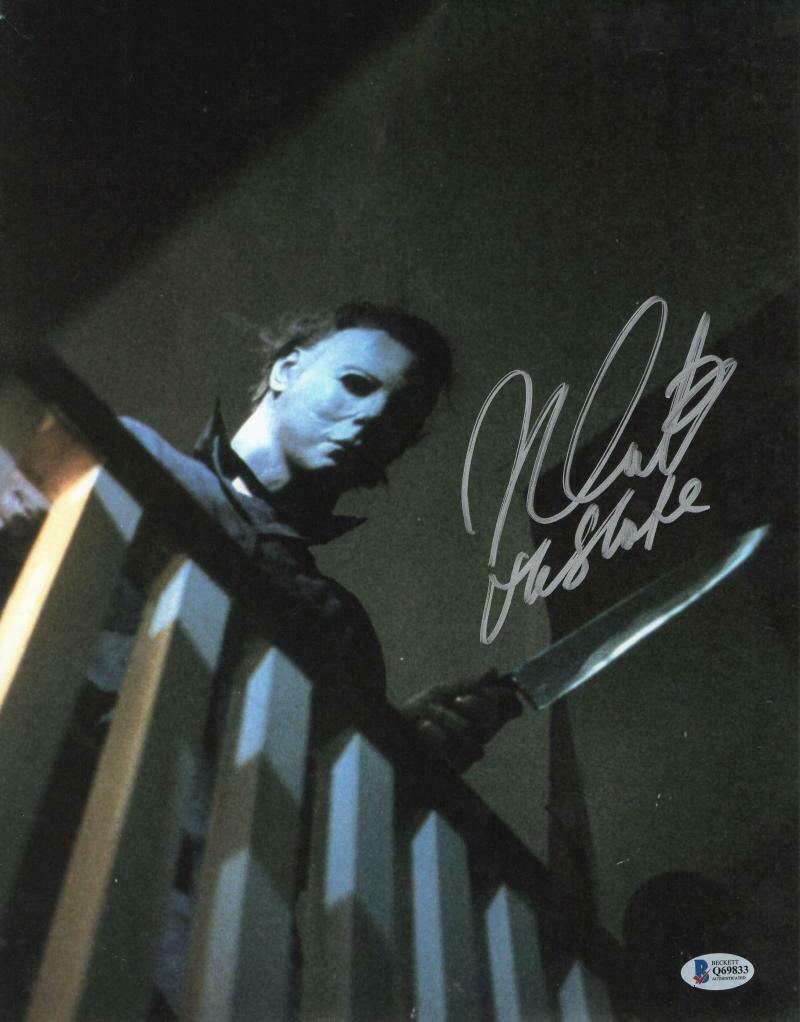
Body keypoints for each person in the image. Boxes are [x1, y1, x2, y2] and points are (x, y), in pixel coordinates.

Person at [0, 301, 522, 1016]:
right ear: (286, 370)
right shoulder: (133, 457)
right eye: (357, 383)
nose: (373, 416)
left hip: (190, 936)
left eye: (399, 417)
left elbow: (304, 830)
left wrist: (400, 755)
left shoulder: (338, 626)